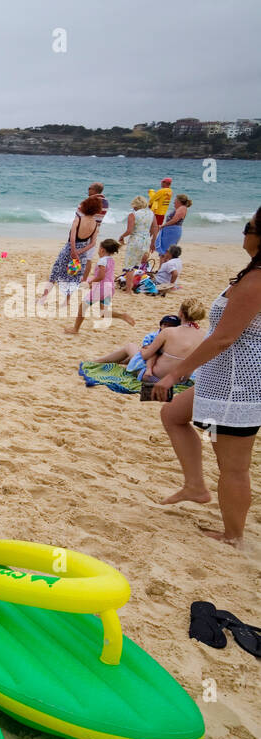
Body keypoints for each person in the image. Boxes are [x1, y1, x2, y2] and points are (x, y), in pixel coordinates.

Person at [152, 206, 261, 547]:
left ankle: (233, 537)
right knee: (173, 414)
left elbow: (224, 337)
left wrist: (175, 374)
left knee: (233, 464)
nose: (244, 232)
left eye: (249, 226)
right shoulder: (252, 273)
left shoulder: (258, 278)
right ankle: (196, 486)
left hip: (237, 386)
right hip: (222, 379)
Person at [37, 195, 103, 307]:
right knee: (74, 278)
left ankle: (42, 299)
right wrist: (80, 252)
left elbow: (72, 238)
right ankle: (66, 301)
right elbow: (92, 243)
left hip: (69, 250)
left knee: (55, 273)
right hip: (82, 254)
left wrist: (73, 251)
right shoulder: (95, 224)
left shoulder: (78, 219)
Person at [91, 309, 197, 377]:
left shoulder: (159, 336)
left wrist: (146, 351)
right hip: (170, 373)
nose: (166, 327)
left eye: (170, 326)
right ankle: (115, 361)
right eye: (165, 324)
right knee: (133, 353)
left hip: (152, 371)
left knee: (130, 346)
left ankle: (98, 361)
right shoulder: (186, 339)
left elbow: (146, 354)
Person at [68, 239, 130, 334]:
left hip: (101, 288)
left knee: (83, 306)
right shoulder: (111, 260)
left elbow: (101, 276)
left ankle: (75, 329)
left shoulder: (102, 261)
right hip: (109, 288)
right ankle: (122, 316)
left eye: (99, 248)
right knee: (103, 313)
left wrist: (90, 283)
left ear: (102, 250)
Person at [117, 195, 155, 276]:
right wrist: (150, 239)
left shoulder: (133, 214)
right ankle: (138, 282)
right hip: (146, 240)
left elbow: (129, 231)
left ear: (135, 205)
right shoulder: (151, 213)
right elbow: (154, 228)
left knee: (130, 266)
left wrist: (122, 236)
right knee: (141, 263)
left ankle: (129, 288)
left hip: (135, 240)